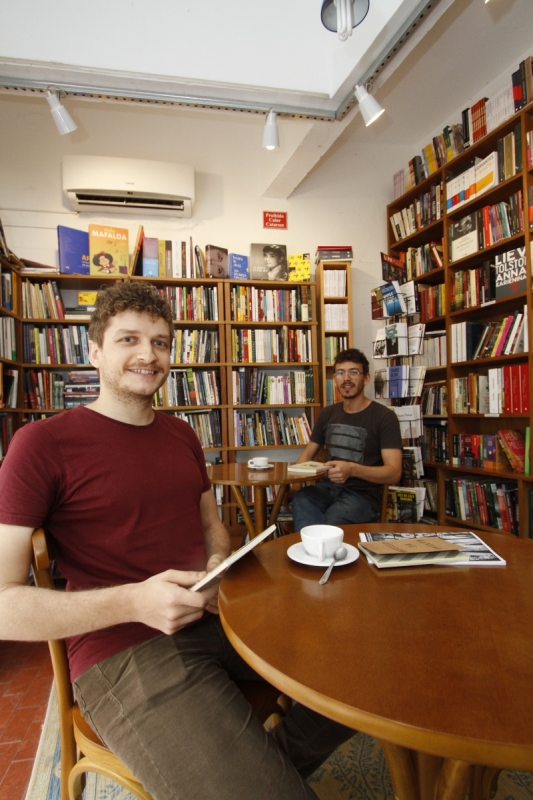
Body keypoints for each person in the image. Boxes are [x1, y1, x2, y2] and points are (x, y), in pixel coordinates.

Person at [0, 281, 352, 800]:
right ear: (94, 351)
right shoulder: (41, 445)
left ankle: (265, 765)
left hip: (218, 616)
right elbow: (5, 605)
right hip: (123, 649)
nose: (148, 354)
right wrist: (135, 600)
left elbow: (212, 523)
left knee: (360, 675)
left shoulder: (183, 434)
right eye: (129, 340)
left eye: (161, 342)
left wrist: (216, 559)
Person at [289, 348, 403, 531]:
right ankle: (314, 556)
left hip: (363, 496)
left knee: (331, 520)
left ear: (366, 378)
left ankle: (318, 555)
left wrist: (352, 470)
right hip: (326, 489)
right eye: (340, 373)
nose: (346, 378)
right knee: (302, 499)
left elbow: (394, 472)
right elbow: (308, 453)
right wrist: (295, 484)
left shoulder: (384, 417)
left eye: (353, 372)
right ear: (334, 380)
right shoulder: (327, 414)